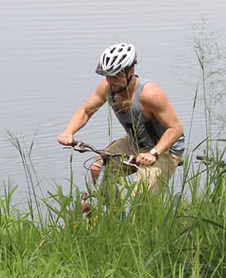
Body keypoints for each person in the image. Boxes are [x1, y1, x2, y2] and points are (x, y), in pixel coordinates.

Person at [57, 42, 185, 214]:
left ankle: (141, 226)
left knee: (142, 198)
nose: (111, 81)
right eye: (107, 76)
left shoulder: (150, 94)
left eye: (116, 76)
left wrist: (153, 153)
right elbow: (86, 110)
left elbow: (176, 129)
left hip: (164, 149)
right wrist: (69, 132)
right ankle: (119, 219)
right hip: (134, 142)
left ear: (130, 71)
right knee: (98, 168)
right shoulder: (107, 88)